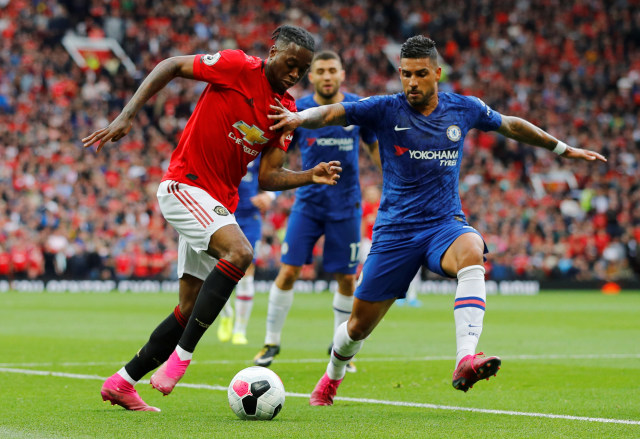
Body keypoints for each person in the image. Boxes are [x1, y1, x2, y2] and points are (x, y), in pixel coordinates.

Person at [267, 35, 607, 405]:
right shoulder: (384, 108)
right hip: (395, 233)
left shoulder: (464, 108)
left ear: (437, 73)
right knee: (356, 328)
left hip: (443, 224)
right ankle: (331, 378)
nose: (411, 82)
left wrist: (562, 148)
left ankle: (465, 358)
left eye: (420, 74)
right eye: (405, 74)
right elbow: (332, 113)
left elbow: (510, 125)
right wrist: (299, 117)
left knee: (473, 248)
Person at [82, 25, 343, 412]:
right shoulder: (237, 66)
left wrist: (310, 175)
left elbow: (269, 176)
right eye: (290, 64)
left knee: (189, 307)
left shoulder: (285, 111)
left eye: (300, 71)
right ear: (273, 52)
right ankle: (182, 359)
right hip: (184, 186)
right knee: (240, 253)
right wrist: (127, 115)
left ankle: (122, 381)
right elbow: (170, 65)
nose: (294, 75)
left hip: (218, 202)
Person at [253, 50, 380, 372]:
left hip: (346, 207)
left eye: (331, 70)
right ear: (312, 76)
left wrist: (394, 180)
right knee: (288, 271)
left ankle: (340, 347)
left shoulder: (355, 108)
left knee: (346, 279)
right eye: (320, 70)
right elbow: (279, 151)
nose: (326, 76)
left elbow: (374, 147)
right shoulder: (300, 109)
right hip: (308, 204)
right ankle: (271, 342)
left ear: (342, 74)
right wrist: (263, 187)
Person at [216, 156, 277, 345]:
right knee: (218, 271)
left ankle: (240, 330)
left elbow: (276, 172)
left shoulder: (259, 149)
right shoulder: (224, 144)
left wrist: (270, 195)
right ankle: (226, 315)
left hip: (250, 218)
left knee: (247, 272)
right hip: (223, 214)